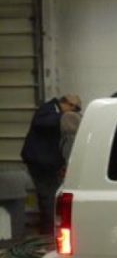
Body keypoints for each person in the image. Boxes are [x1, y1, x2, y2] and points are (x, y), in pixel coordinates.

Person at [21, 94, 82, 234]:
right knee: (49, 198)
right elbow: (41, 122)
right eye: (75, 108)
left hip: (48, 163)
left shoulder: (54, 112)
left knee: (49, 198)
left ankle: (48, 231)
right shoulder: (48, 110)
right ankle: (48, 235)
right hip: (40, 163)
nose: (74, 112)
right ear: (67, 103)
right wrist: (64, 118)